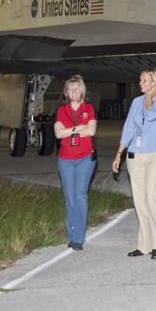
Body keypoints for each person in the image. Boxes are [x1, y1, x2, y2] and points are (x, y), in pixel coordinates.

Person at [114, 69, 156, 259]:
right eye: (140, 79)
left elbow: (152, 114)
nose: (140, 82)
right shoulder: (135, 102)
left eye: (144, 80)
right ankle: (143, 244)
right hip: (135, 155)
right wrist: (119, 154)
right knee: (139, 200)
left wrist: (150, 96)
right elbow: (129, 126)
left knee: (151, 195)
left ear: (154, 82)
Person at [54, 75, 98, 250]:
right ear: (66, 92)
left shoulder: (89, 108)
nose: (73, 91)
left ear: (82, 90)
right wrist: (79, 128)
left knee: (80, 196)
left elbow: (92, 130)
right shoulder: (61, 110)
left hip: (85, 158)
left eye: (76, 88)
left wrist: (68, 130)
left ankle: (78, 237)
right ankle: (71, 234)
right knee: (69, 197)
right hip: (65, 159)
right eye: (70, 88)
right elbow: (58, 134)